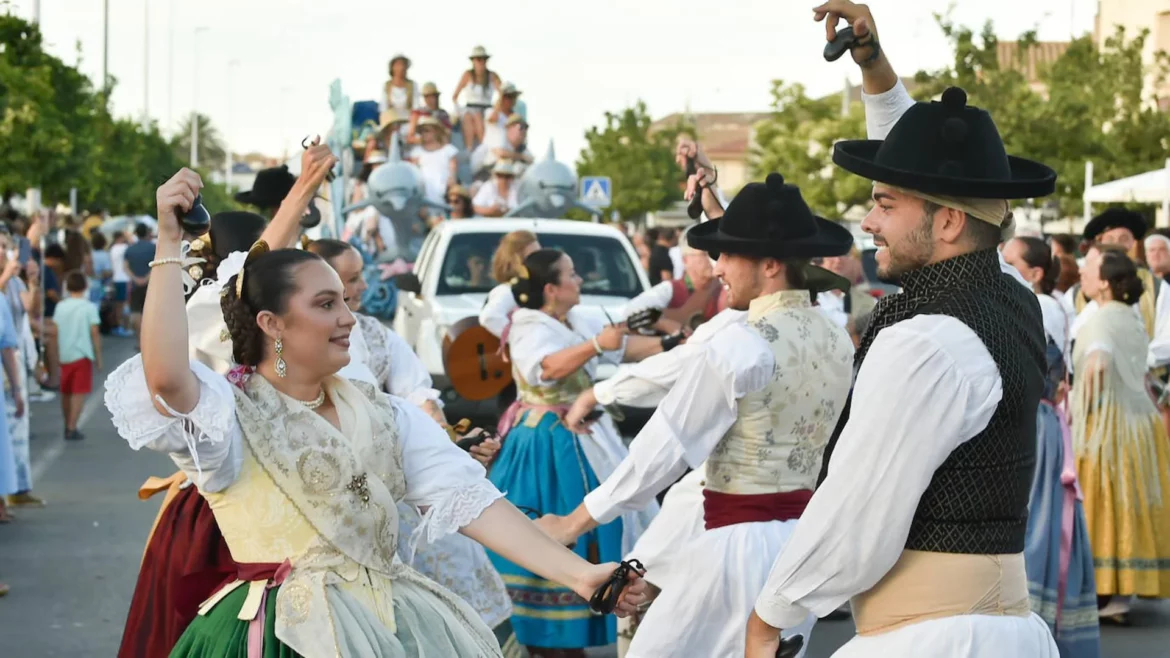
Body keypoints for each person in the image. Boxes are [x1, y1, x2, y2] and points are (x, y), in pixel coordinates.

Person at [107, 168, 648, 658]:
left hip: (386, 626)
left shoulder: (383, 411)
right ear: (272, 324)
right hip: (272, 638)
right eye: (325, 304)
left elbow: (473, 503)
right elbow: (165, 377)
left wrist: (582, 576)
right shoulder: (228, 413)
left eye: (344, 299)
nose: (348, 317)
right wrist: (168, 241)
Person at [744, 3, 1060, 656]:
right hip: (997, 629)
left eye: (883, 205)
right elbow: (938, 175)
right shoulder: (1007, 296)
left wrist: (770, 614)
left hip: (931, 639)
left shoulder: (926, 341)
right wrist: (874, 68)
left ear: (946, 224)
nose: (868, 221)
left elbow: (856, 512)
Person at [537, 173, 856, 658]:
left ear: (770, 264)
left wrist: (575, 523)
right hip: (801, 547)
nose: (718, 267)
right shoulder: (835, 337)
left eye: (728, 254)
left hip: (734, 549)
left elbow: (667, 445)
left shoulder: (742, 341)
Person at [486, 248, 664, 658]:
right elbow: (547, 368)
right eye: (571, 274)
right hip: (542, 442)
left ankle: (578, 631)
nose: (579, 279)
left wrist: (674, 343)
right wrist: (595, 345)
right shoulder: (528, 325)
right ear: (551, 288)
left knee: (608, 514)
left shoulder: (577, 318)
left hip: (584, 433)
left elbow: (623, 347)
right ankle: (545, 638)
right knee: (547, 527)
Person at [1002, 237, 1101, 657]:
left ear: (1035, 272)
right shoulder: (1054, 304)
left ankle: (1032, 621)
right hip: (1047, 418)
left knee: (1038, 522)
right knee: (1045, 517)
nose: (1003, 268)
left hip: (1038, 422)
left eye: (1011, 262)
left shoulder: (1037, 306)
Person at [1070, 243, 1170, 624]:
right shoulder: (1129, 316)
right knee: (1130, 503)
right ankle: (1122, 591)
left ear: (1107, 283)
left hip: (1109, 425)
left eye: (1091, 267)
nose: (1083, 272)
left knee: (1103, 504)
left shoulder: (1101, 319)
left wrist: (1085, 405)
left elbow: (1097, 362)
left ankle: (1105, 588)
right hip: (1140, 423)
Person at [619, 227, 723, 335]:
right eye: (705, 254)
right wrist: (663, 324)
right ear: (685, 260)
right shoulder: (671, 289)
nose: (713, 259)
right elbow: (631, 312)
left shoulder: (724, 289)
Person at [53, 271, 100, 440]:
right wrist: (98, 357)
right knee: (78, 393)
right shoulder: (89, 307)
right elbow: (94, 332)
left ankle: (67, 423)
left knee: (65, 392)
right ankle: (73, 426)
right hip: (82, 354)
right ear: (85, 287)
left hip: (63, 354)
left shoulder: (60, 306)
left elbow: (55, 330)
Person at [453, 46, 502, 150]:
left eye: (483, 59)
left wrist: (497, 108)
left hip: (487, 108)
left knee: (478, 117)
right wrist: (458, 111)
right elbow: (455, 96)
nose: (481, 62)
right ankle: (469, 149)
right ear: (473, 61)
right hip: (470, 108)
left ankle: (484, 147)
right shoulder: (467, 75)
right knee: (468, 117)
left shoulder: (492, 76)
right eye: (478, 59)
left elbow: (503, 94)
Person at [123, 223, 156, 340]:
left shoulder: (130, 249)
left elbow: (125, 267)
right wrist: (146, 278)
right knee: (152, 312)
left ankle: (140, 338)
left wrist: (135, 278)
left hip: (135, 284)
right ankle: (151, 339)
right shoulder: (153, 248)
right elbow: (157, 265)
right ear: (147, 233)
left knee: (136, 311)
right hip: (152, 284)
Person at [109, 231, 132, 337]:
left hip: (116, 278)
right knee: (123, 305)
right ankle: (122, 326)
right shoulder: (124, 247)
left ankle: (118, 326)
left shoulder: (113, 248)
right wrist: (129, 237)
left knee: (118, 304)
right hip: (124, 279)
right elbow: (133, 244)